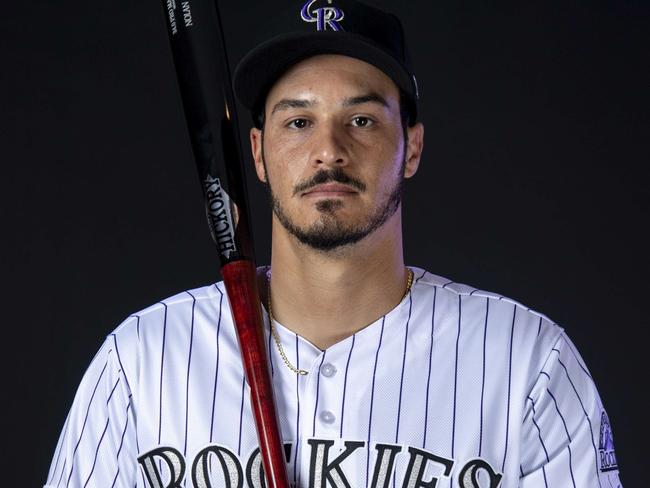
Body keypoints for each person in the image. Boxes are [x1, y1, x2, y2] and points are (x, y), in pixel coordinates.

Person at [44, 1, 622, 487]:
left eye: (363, 120)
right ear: (256, 152)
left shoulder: (528, 364)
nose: (329, 150)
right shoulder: (141, 363)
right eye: (297, 121)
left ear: (412, 147)